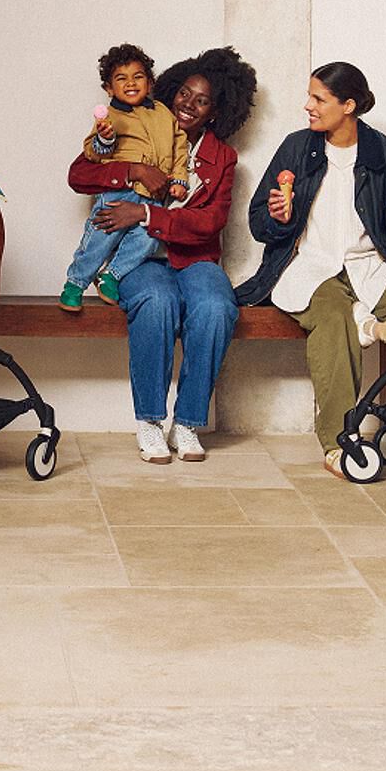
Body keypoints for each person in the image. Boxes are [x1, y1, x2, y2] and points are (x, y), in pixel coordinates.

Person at [236, 61, 386, 480]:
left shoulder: (382, 154)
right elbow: (259, 224)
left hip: (372, 267)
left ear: (348, 105)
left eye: (318, 99)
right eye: (309, 96)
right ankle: (340, 440)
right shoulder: (296, 147)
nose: (307, 105)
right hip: (306, 267)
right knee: (333, 319)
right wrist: (279, 217)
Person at [68, 46, 257, 463]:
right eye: (184, 94)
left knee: (215, 307)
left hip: (195, 258)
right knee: (157, 302)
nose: (188, 105)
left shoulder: (223, 157)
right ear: (170, 92)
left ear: (215, 111)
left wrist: (146, 213)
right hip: (139, 259)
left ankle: (187, 423)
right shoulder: (132, 126)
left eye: (202, 100)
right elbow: (78, 175)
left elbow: (210, 222)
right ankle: (150, 423)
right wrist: (134, 171)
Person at [60, 44, 188, 311]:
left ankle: (112, 276)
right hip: (119, 194)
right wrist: (104, 138)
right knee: (100, 238)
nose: (131, 83)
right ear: (109, 88)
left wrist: (178, 179)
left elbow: (179, 144)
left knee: (148, 240)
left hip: (153, 197)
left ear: (150, 82)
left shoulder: (163, 113)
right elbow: (94, 153)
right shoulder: (110, 118)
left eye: (138, 76)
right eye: (121, 78)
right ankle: (75, 283)